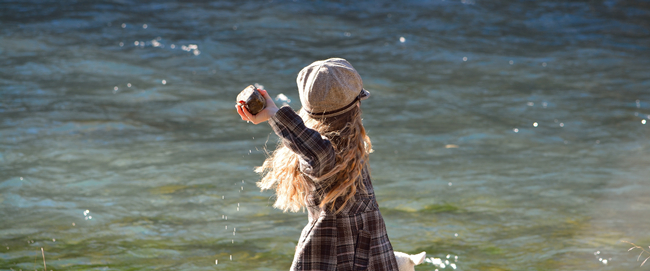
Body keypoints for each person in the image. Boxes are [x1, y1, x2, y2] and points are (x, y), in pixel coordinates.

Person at [236, 58, 398, 271]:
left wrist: (275, 113)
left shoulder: (350, 149)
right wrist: (275, 115)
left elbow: (308, 141)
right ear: (356, 107)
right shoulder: (327, 159)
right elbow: (315, 148)